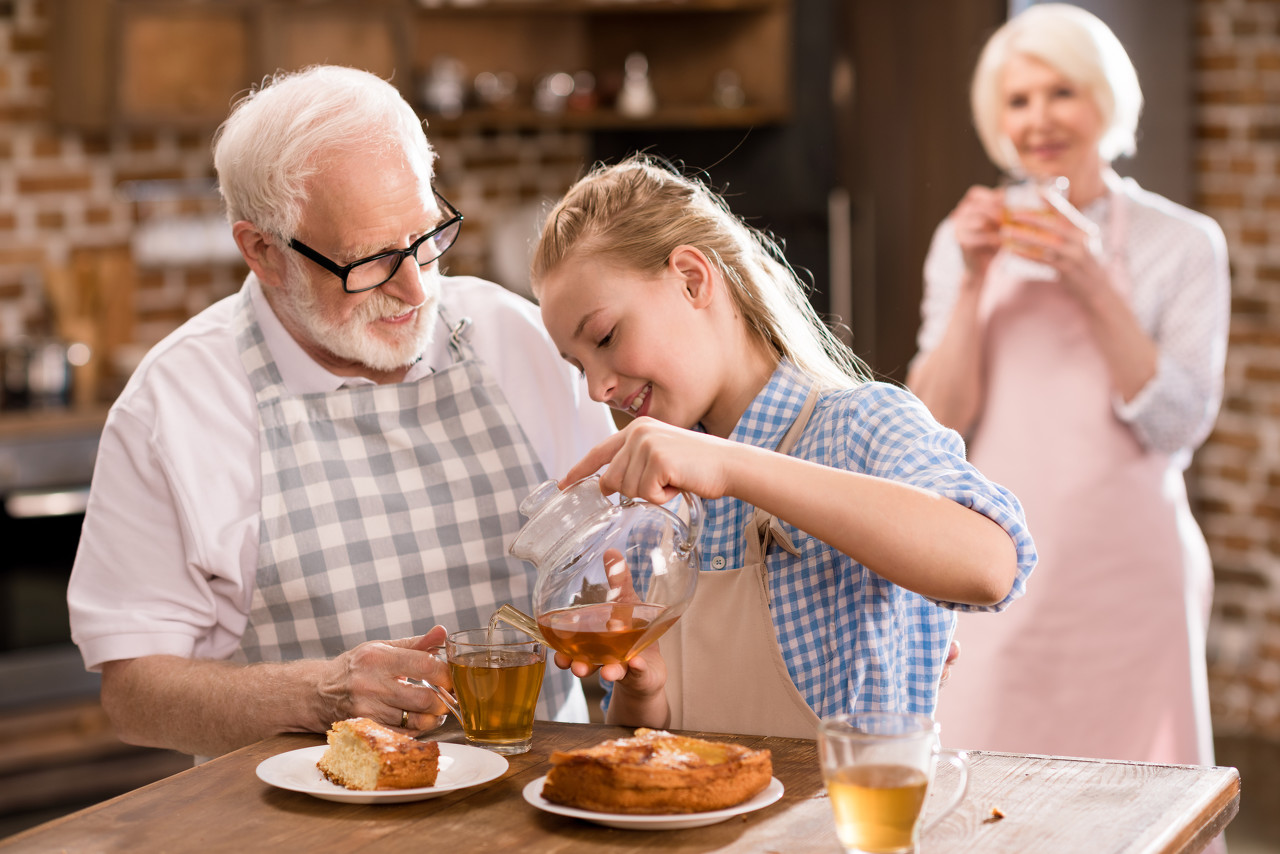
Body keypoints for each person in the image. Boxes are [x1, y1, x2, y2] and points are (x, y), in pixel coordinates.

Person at [66, 65, 616, 759]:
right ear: (263, 251)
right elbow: (134, 697)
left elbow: (610, 570)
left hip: (533, 809)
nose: (417, 288)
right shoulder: (174, 405)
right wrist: (317, 693)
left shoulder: (522, 341)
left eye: (425, 238)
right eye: (371, 262)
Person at [527, 154, 1038, 738]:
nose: (599, 389)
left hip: (839, 826)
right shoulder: (654, 503)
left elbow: (991, 567)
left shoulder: (860, 424)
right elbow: (647, 739)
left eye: (606, 337)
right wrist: (646, 691)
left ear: (693, 279)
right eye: (578, 367)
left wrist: (730, 464)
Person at [906, 4, 1229, 769]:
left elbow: (1180, 424)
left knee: (1144, 791)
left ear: (1104, 101)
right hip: (997, 557)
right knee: (986, 776)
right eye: (1018, 101)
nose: (1039, 119)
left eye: (1061, 93)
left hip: (1130, 571)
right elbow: (934, 421)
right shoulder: (965, 240)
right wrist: (975, 285)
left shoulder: (1183, 243)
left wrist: (1091, 283)